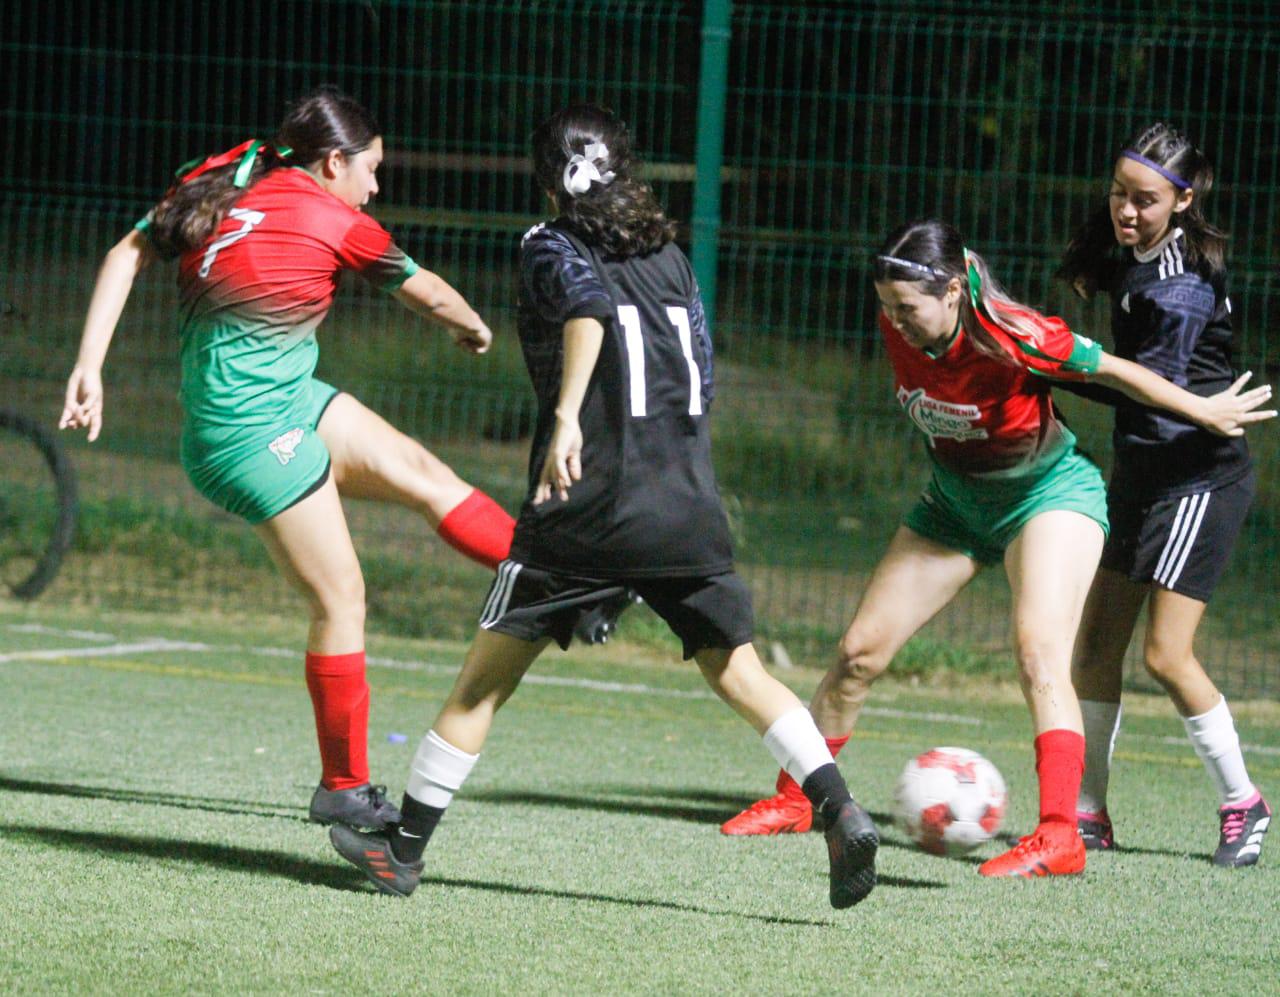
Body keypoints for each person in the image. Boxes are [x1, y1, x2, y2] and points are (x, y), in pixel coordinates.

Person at [328, 104, 879, 908]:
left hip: (585, 506)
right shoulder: (674, 258)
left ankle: (401, 851)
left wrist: (562, 420)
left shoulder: (548, 244)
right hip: (686, 500)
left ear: (551, 179)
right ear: (627, 170)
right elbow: (701, 369)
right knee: (741, 671)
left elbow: (586, 314)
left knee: (482, 684)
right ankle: (839, 805)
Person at [719, 218, 1273, 878]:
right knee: (859, 652)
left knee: (1041, 651)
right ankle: (799, 800)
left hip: (1049, 494)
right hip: (956, 502)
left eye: (908, 308)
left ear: (952, 292)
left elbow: (1120, 371)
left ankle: (1062, 834)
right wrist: (899, 312)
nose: (894, 320)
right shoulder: (904, 315)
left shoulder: (1017, 336)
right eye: (885, 305)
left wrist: (1203, 410)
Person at [59, 86, 517, 832]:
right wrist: (477, 328)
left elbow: (126, 251)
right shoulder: (334, 217)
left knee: (425, 475)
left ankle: (548, 576)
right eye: (370, 170)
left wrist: (89, 364)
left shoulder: (233, 171)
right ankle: (343, 787)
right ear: (333, 162)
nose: (375, 187)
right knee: (341, 600)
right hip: (246, 434)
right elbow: (427, 294)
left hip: (287, 398)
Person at [1058, 123, 1272, 867]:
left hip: (1198, 477)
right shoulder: (1133, 251)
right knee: (1093, 645)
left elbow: (1147, 392)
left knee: (1166, 652)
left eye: (1144, 200)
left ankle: (1244, 802)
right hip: (1143, 474)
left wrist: (1044, 362)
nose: (1126, 209)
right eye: (1118, 193)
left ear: (1182, 200)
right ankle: (1087, 812)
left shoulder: (1180, 287)